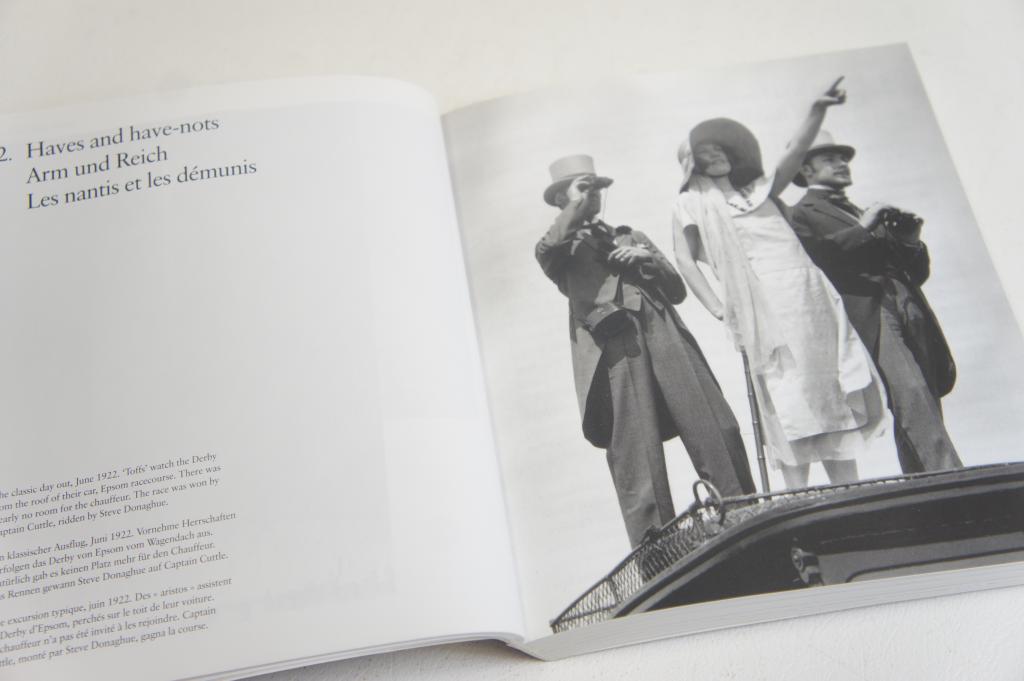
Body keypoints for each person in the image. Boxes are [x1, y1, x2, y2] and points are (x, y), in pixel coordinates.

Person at [670, 79, 888, 489]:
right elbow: (684, 259)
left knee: (829, 384)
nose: (716, 155)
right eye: (706, 152)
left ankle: (848, 490)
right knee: (787, 394)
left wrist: (817, 109)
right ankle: (797, 494)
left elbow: (794, 153)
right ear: (691, 163)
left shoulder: (760, 190)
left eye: (720, 149)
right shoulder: (690, 203)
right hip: (762, 305)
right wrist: (718, 307)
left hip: (808, 294)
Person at [536, 154, 755, 549]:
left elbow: (676, 290)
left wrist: (647, 257)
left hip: (662, 328)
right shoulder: (560, 248)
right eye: (582, 188)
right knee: (635, 450)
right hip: (614, 343)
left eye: (597, 187)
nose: (593, 194)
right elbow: (550, 246)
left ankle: (742, 510)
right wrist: (576, 204)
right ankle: (657, 549)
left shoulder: (630, 236)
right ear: (560, 200)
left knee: (712, 420)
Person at [789, 131, 962, 473]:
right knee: (909, 391)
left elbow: (915, 273)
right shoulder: (800, 214)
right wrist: (866, 226)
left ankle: (925, 485)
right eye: (830, 159)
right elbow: (820, 260)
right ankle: (950, 475)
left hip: (908, 302)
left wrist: (910, 241)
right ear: (806, 170)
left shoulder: (858, 208)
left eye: (843, 158)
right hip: (869, 309)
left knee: (923, 396)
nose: (842, 164)